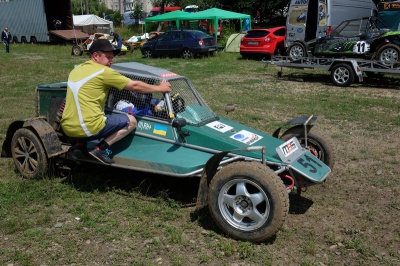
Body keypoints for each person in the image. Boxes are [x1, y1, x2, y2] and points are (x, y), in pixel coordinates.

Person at [60, 39, 171, 164]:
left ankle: (80, 145)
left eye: (112, 58)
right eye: (108, 57)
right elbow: (134, 86)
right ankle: (100, 149)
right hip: (88, 128)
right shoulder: (104, 72)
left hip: (67, 128)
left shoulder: (76, 69)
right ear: (95, 56)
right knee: (131, 121)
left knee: (91, 111)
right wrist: (159, 88)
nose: (111, 62)